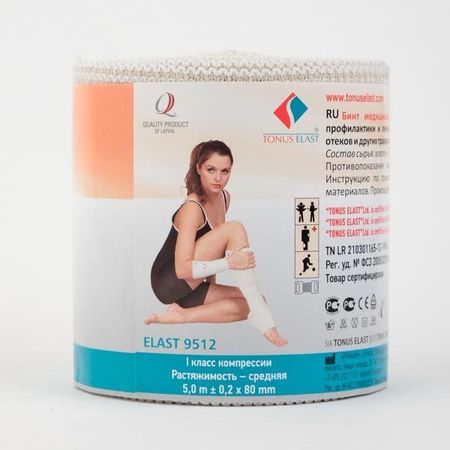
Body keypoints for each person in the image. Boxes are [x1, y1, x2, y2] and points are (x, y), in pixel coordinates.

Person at [145, 140, 287, 347]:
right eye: (211, 170)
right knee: (234, 228)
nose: (218, 178)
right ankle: (265, 322)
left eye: (225, 171)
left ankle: (182, 315)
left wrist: (211, 287)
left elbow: (214, 248)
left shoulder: (224, 197)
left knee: (255, 302)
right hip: (168, 281)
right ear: (198, 169)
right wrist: (230, 263)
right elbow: (182, 269)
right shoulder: (192, 208)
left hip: (193, 283)